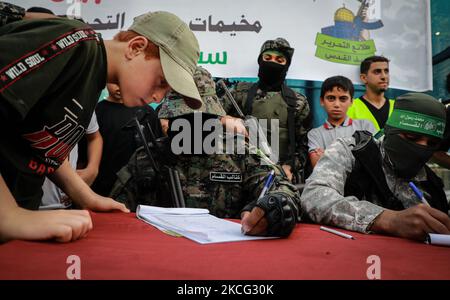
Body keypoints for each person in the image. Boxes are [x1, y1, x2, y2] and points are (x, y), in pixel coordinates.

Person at [0, 6, 202, 243]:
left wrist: (85, 195)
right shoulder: (73, 45)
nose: (158, 97)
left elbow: (40, 141)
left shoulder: (92, 76)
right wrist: (8, 215)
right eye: (161, 82)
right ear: (135, 48)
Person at [111, 67, 301, 237]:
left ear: (217, 118)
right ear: (169, 118)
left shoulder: (240, 153)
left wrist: (271, 207)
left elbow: (283, 189)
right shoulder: (147, 157)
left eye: (203, 118)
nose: (194, 126)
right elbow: (116, 213)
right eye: (184, 118)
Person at [301, 93, 450, 242]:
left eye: (431, 144)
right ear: (391, 129)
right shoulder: (352, 152)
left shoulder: (431, 184)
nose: (421, 148)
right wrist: (387, 219)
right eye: (412, 138)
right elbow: (314, 196)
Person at [222, 38, 311, 183]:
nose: (272, 63)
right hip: (238, 171)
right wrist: (228, 120)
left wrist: (289, 167)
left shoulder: (298, 101)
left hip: (277, 175)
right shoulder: (239, 92)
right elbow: (213, 118)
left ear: (286, 66)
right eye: (267, 58)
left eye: (279, 60)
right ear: (260, 61)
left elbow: (304, 144)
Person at [91, 83, 161, 197]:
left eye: (121, 80)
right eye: (114, 81)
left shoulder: (147, 112)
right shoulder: (96, 112)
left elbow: (157, 150)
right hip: (102, 189)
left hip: (141, 189)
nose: (119, 86)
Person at [308, 76, 375, 168]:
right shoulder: (315, 134)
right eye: (331, 98)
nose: (336, 104)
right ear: (322, 101)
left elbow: (371, 162)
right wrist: (354, 157)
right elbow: (317, 166)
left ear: (351, 101)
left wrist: (327, 156)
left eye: (343, 99)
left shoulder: (365, 126)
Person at [40, 113, 102, 210]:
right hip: (26, 204)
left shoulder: (85, 102)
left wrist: (92, 170)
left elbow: (95, 137)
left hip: (66, 202)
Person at [347, 56, 395, 133]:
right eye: (377, 72)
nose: (384, 76)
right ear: (363, 78)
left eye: (386, 71)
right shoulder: (351, 108)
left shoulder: (397, 107)